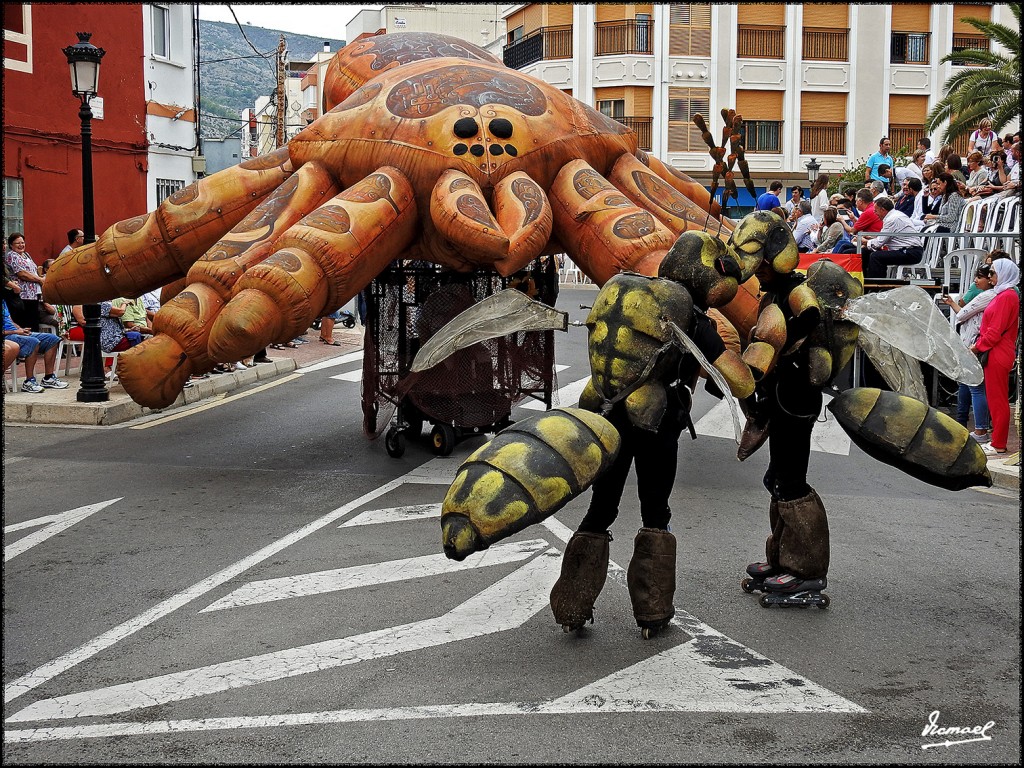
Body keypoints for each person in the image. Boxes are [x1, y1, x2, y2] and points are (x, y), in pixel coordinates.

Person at [971, 259, 1020, 456]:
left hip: (998, 351)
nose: (990, 276)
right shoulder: (1004, 294)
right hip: (997, 350)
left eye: (993, 272)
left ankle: (998, 443)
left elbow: (995, 330)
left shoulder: (1007, 296)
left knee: (997, 399)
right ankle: (997, 441)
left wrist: (976, 347)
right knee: (995, 398)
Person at [941, 264, 996, 441]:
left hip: (974, 346)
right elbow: (963, 313)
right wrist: (951, 303)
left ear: (990, 279)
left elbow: (962, 314)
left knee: (975, 388)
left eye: (979, 277)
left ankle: (980, 429)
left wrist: (958, 307)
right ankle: (962, 424)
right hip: (969, 344)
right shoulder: (988, 295)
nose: (975, 281)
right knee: (965, 386)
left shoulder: (987, 296)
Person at [2, 300, 70, 391]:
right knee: (33, 341)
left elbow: (10, 321)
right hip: (8, 336)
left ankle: (48, 378)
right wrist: (15, 331)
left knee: (52, 339)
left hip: (16, 332)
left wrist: (20, 329)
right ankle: (29, 381)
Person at [862, 197, 925, 278]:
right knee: (867, 252)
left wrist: (864, 241)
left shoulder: (891, 219)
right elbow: (884, 238)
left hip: (910, 252)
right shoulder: (895, 215)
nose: (875, 213)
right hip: (908, 250)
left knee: (875, 257)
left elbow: (879, 243)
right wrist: (871, 239)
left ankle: (876, 286)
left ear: (883, 210)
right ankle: (866, 281)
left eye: (875, 210)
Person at [4, 232, 45, 331]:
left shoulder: (27, 255)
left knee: (34, 322)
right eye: (18, 243)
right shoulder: (12, 255)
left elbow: (33, 271)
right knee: (25, 322)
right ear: (11, 245)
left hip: (33, 295)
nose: (21, 245)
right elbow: (22, 273)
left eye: (22, 242)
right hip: (22, 295)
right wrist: (40, 280)